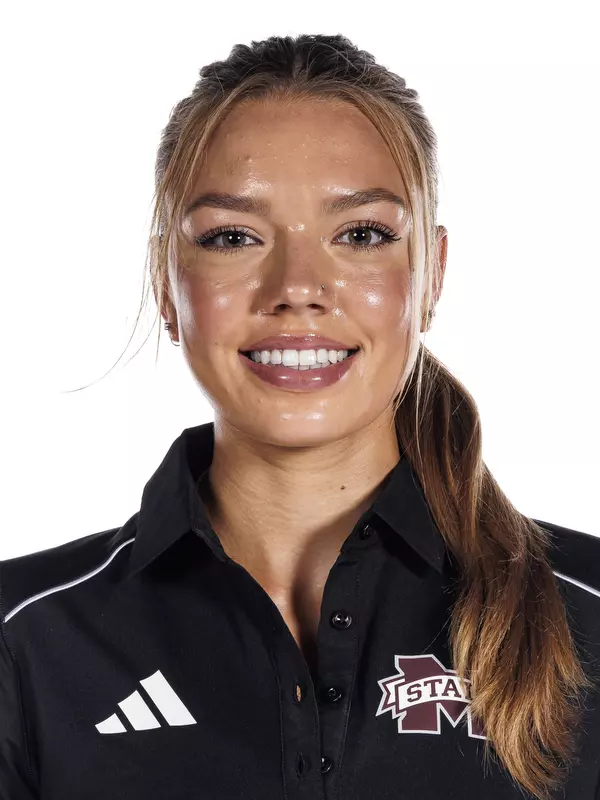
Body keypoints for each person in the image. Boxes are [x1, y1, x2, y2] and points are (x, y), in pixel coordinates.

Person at [1, 33, 599, 800]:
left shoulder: (586, 613)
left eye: (361, 234)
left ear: (432, 276)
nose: (298, 287)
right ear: (165, 282)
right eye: (233, 237)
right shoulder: (26, 640)